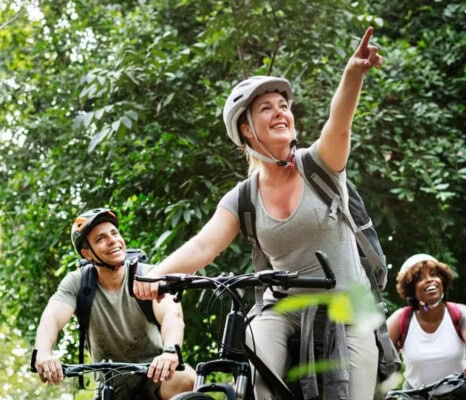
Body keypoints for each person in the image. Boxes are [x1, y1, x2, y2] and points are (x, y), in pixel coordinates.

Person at [134, 26, 383, 399]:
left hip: (348, 306)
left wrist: (352, 74)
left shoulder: (320, 165)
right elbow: (203, 246)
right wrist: (155, 275)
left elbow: (340, 123)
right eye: (267, 108)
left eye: (283, 106)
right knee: (254, 355)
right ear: (246, 130)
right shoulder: (243, 199)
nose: (280, 112)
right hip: (285, 308)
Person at [33, 208, 196, 400]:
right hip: (111, 386)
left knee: (184, 378)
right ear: (87, 254)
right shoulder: (78, 283)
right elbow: (52, 316)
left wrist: (170, 350)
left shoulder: (147, 276)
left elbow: (171, 313)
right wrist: (43, 353)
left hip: (156, 376)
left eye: (114, 233)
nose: (112, 240)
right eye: (100, 239)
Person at [386, 254, 466, 399]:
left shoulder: (459, 312)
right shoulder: (401, 319)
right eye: (420, 278)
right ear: (411, 290)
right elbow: (378, 350)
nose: (429, 280)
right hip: (416, 395)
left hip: (461, 392)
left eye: (434, 274)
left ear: (442, 280)